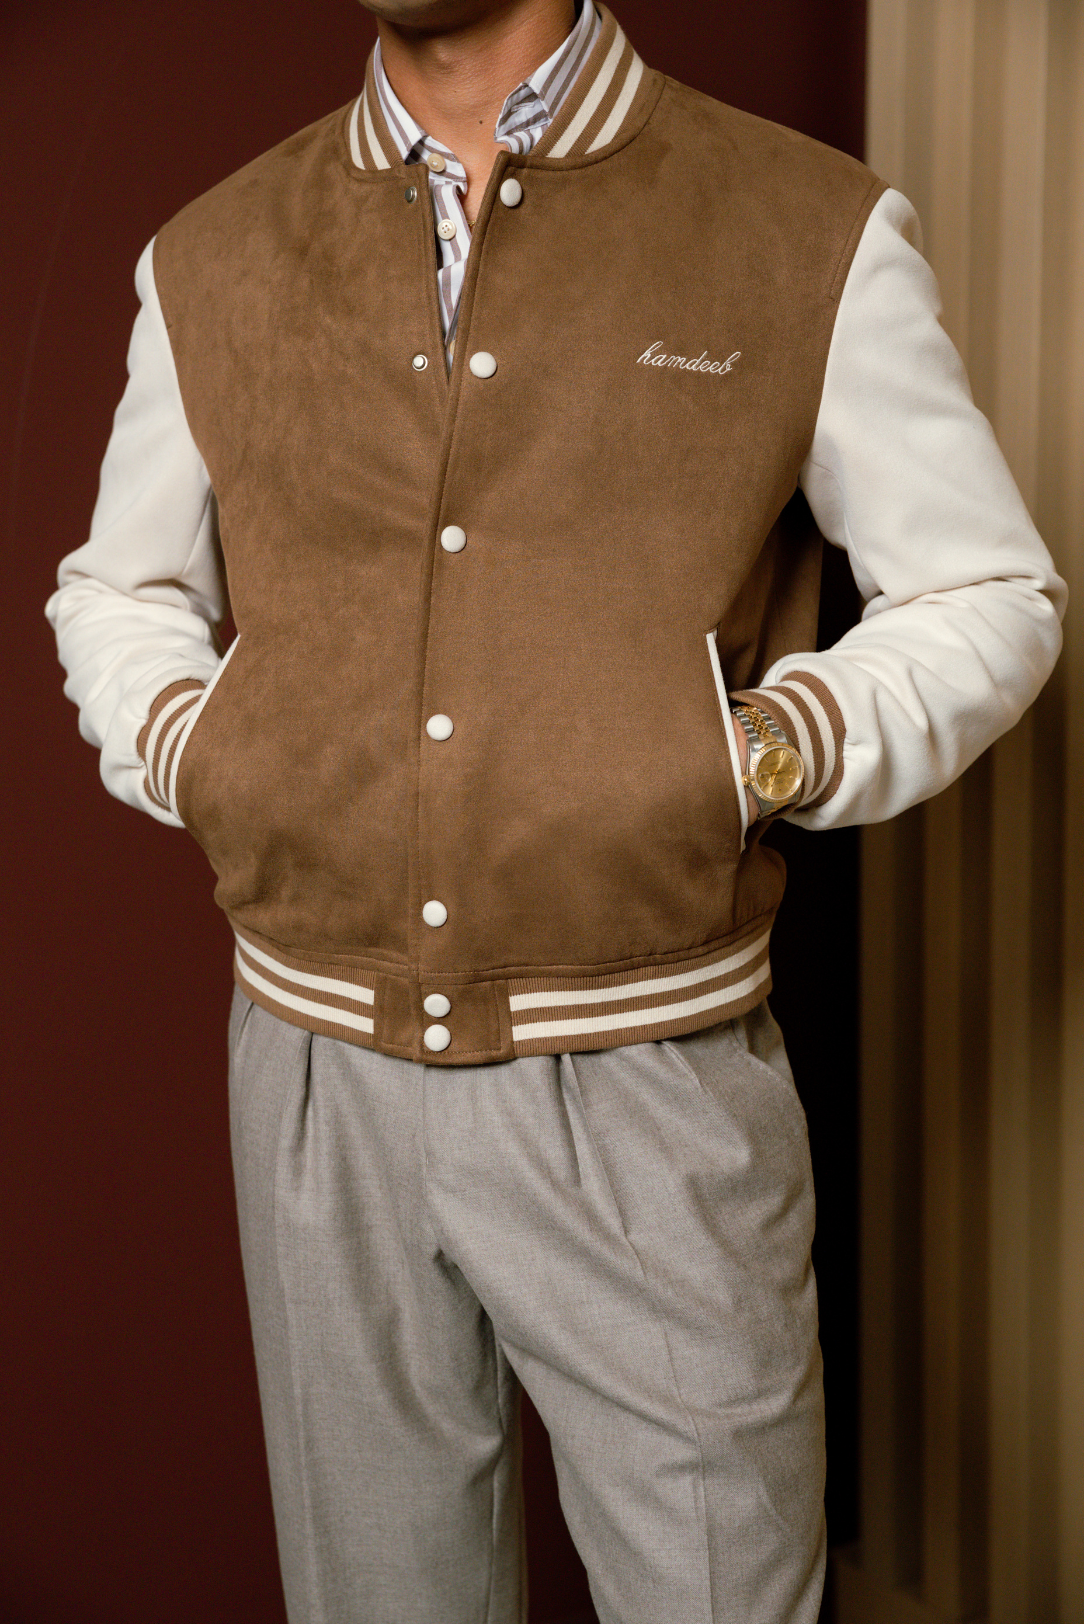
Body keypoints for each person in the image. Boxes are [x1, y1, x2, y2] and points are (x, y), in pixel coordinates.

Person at [45, 0, 1065, 1619]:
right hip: (311, 1074)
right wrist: (200, 747)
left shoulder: (804, 226)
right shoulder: (213, 253)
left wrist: (760, 752)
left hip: (646, 1076)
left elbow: (989, 591)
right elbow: (119, 589)